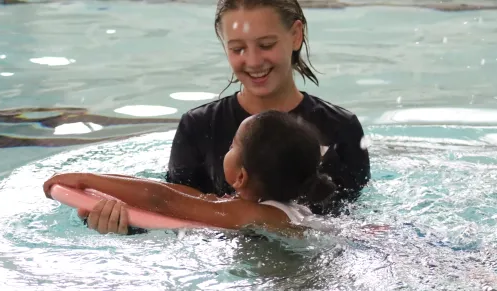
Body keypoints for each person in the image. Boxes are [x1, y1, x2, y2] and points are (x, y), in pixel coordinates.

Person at [77, 0, 370, 235]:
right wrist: (124, 225)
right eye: (238, 49)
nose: (253, 61)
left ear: (295, 35)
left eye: (266, 45)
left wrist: (85, 182)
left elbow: (352, 217)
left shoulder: (341, 128)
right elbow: (174, 224)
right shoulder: (199, 126)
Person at [44, 110, 335, 235]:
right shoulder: (272, 208)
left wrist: (86, 180)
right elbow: (189, 196)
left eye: (233, 144)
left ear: (241, 177)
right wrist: (109, 185)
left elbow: (164, 201)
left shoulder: (252, 215)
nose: (226, 148)